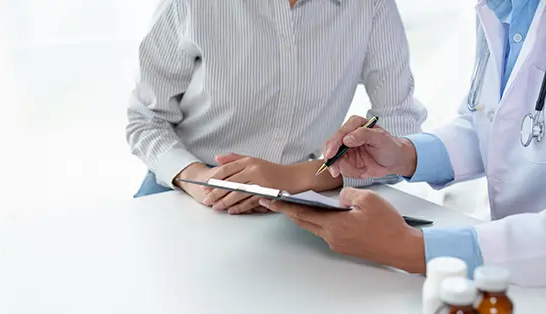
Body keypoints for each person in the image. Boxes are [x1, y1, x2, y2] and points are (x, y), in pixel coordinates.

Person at [259, 0, 546, 287]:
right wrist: (402, 154)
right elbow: (489, 125)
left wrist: (411, 248)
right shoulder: (505, 8)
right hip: (511, 270)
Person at [126, 0, 426, 215]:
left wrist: (298, 177)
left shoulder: (371, 6)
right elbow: (146, 119)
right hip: (184, 192)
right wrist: (200, 179)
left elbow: (400, 127)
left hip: (300, 199)